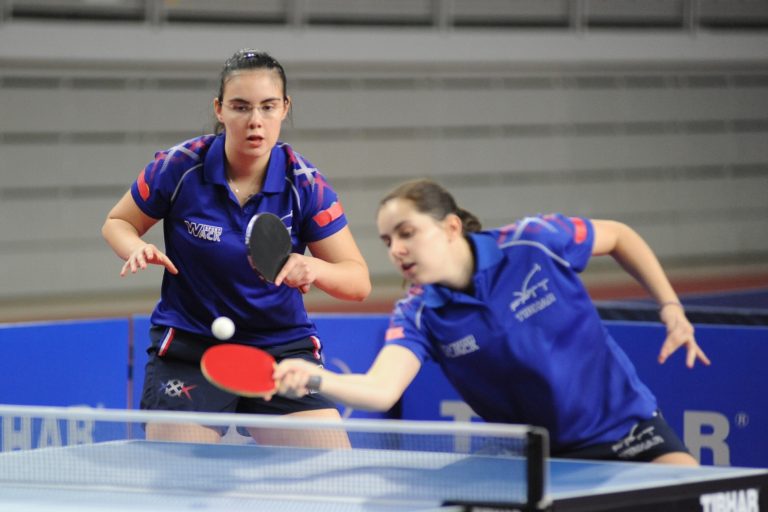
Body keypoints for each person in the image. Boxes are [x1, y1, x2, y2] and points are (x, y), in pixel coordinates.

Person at [273, 178, 710, 464]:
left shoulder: (534, 243)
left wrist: (670, 306)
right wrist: (314, 378)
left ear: (450, 228)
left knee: (699, 494)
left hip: (628, 429)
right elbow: (380, 389)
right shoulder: (418, 313)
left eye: (408, 233)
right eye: (388, 241)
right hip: (537, 455)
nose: (396, 251)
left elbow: (618, 235)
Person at [102, 49, 371, 446]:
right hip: (189, 349)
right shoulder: (179, 167)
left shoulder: (306, 184)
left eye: (268, 106)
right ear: (220, 110)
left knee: (332, 474)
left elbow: (357, 280)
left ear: (285, 108)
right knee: (176, 481)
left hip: (280, 351)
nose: (255, 121)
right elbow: (118, 222)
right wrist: (134, 247)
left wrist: (315, 269)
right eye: (241, 107)